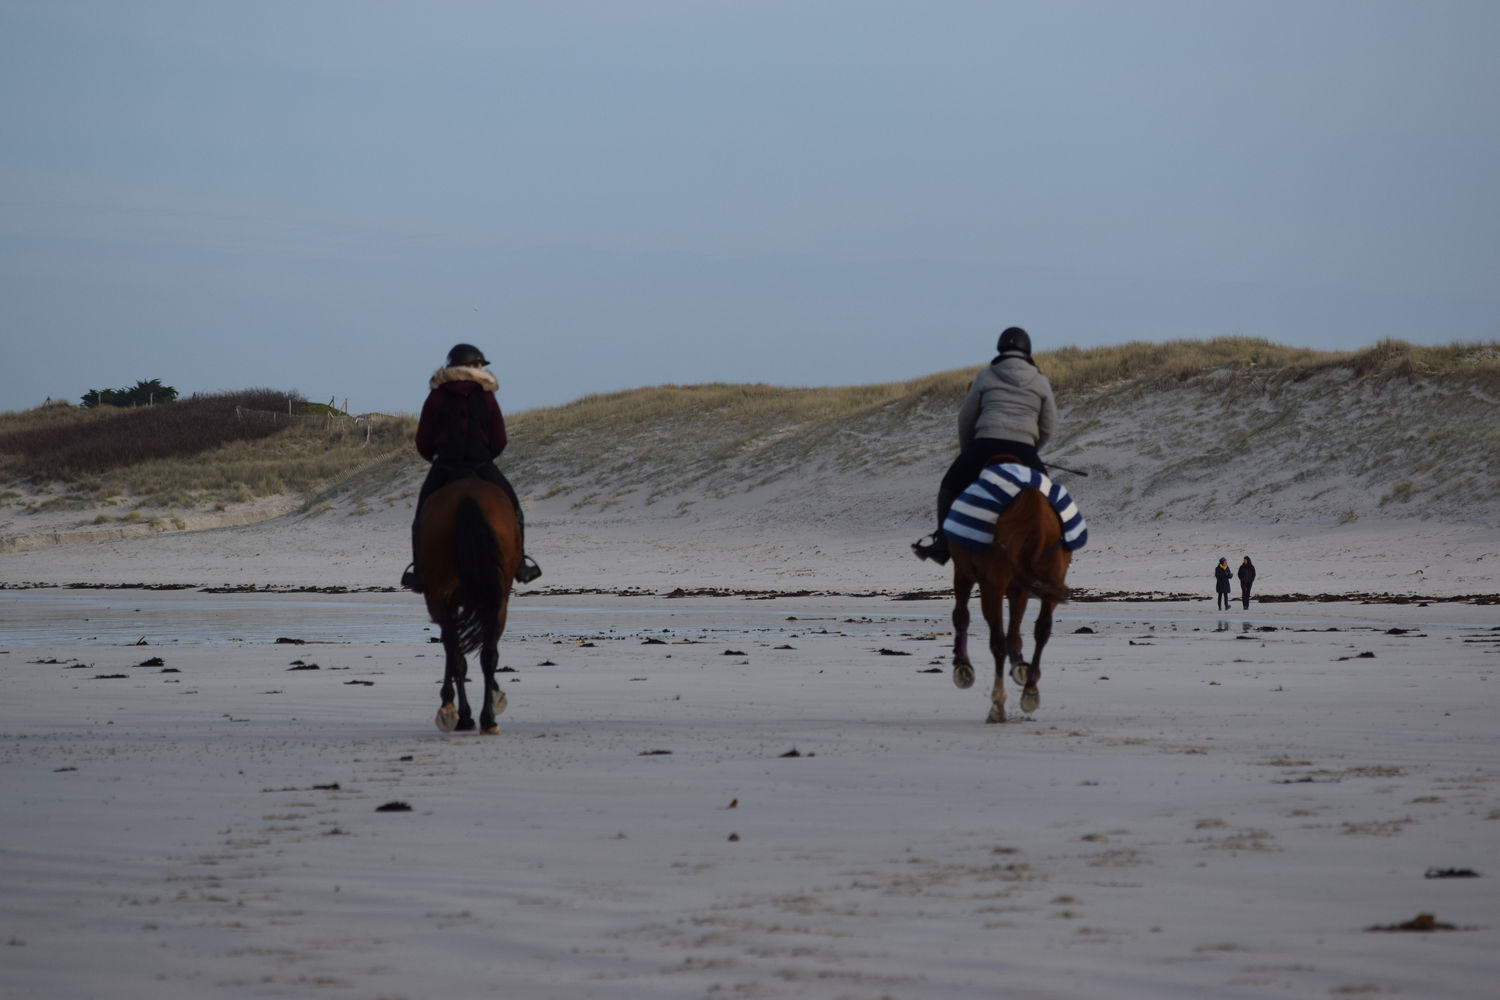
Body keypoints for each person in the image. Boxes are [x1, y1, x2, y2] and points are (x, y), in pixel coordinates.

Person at [400, 343, 541, 591]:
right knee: (514, 509)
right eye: (478, 364)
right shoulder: (486, 395)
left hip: (445, 466)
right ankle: (519, 563)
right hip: (481, 465)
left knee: (421, 516)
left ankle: (419, 571)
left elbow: (423, 440)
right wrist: (485, 456)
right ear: (471, 367)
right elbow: (499, 439)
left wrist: (436, 457)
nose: (480, 368)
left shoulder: (436, 395)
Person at [913, 326, 1057, 565]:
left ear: (1000, 349)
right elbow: (1049, 424)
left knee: (949, 486)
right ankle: (1050, 550)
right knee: (1047, 494)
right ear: (1027, 351)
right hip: (1024, 449)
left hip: (985, 445)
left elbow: (966, 418)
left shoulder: (985, 376)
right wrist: (1032, 448)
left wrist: (969, 451)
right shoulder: (1041, 381)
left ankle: (943, 544)